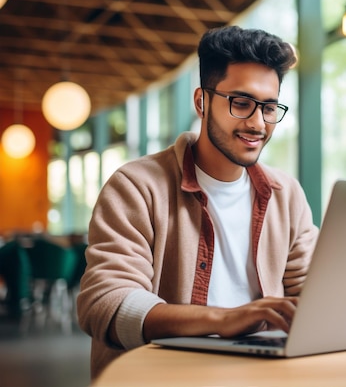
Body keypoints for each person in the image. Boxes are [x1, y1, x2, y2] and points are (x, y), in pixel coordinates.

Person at [77, 26, 319, 379]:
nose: (257, 123)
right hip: (166, 378)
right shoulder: (136, 186)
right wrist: (225, 319)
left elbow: (312, 294)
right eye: (241, 103)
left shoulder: (287, 194)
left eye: (269, 108)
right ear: (201, 101)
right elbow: (106, 304)